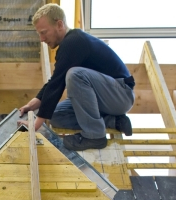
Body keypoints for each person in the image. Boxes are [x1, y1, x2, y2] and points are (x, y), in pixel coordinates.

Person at [18, 3, 135, 151]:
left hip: (120, 95)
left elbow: (57, 85)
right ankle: (113, 120)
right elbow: (54, 81)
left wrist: (36, 124)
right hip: (105, 99)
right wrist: (31, 105)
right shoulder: (69, 44)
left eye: (44, 32)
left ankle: (95, 136)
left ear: (59, 24)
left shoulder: (74, 41)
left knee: (75, 75)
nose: (41, 39)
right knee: (55, 116)